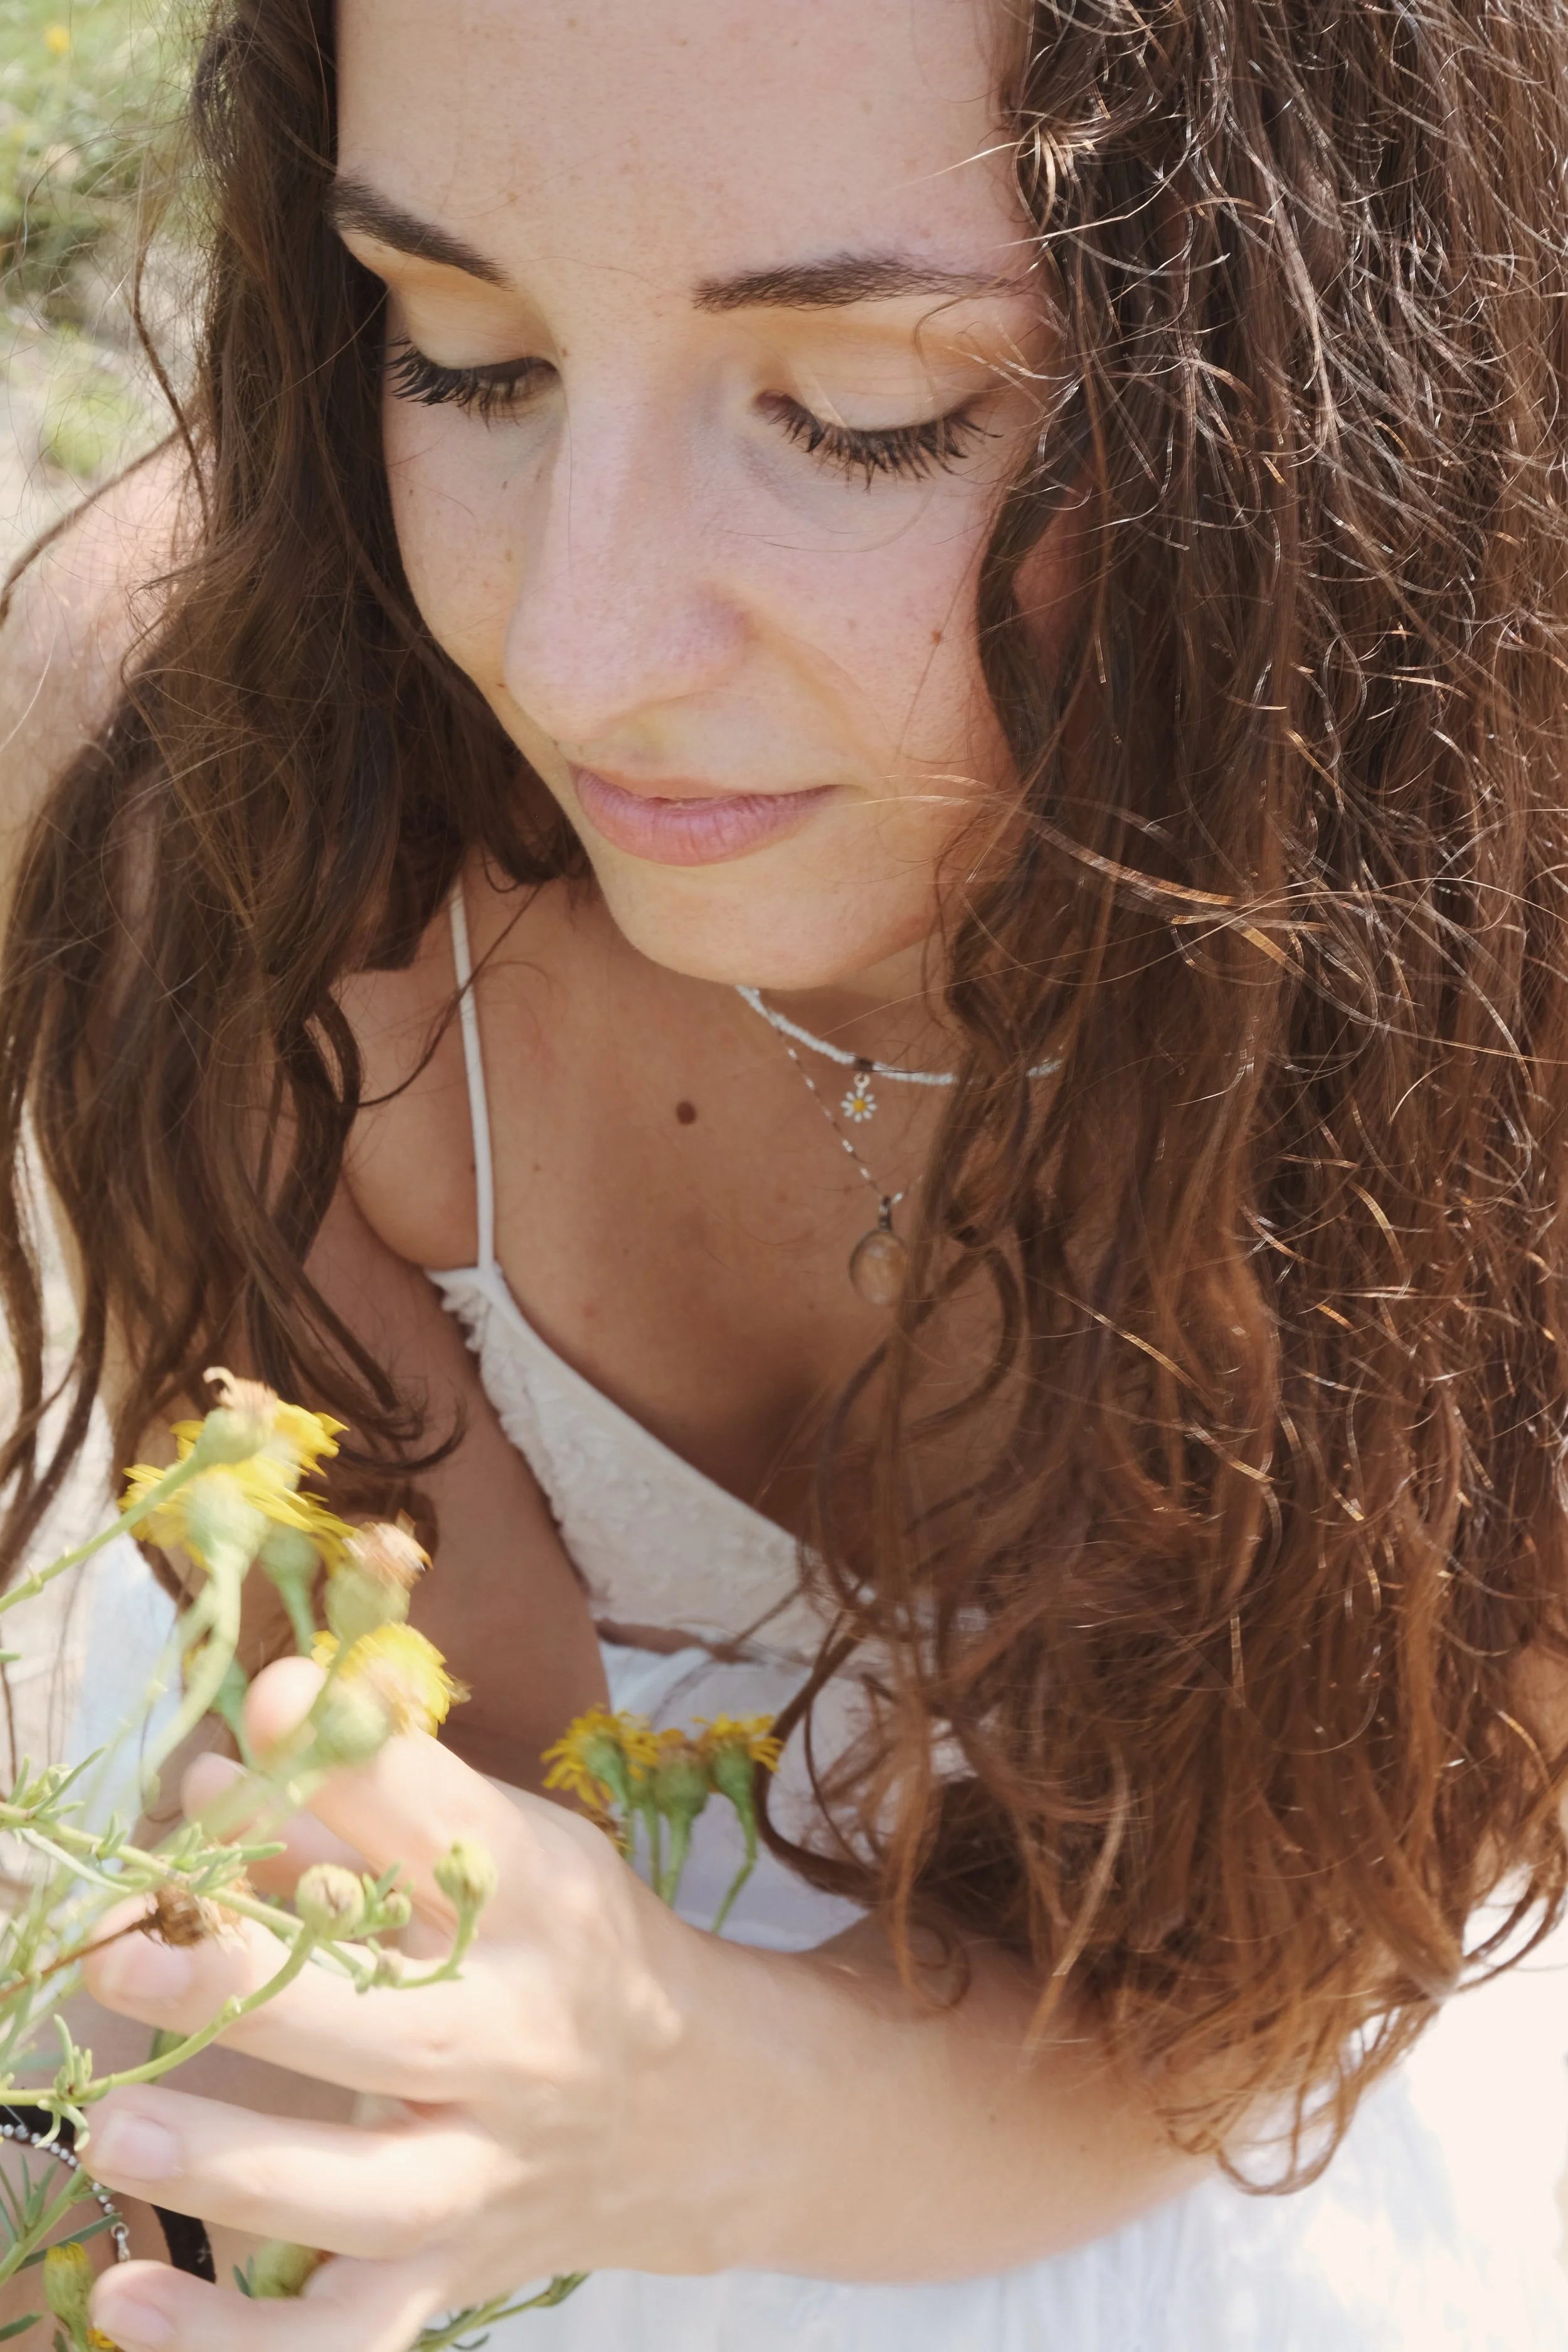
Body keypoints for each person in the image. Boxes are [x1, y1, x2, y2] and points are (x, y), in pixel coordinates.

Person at [2, 0, 1568, 2343]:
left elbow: (1250, 1983)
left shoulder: (1500, 990)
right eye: (461, 354)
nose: (579, 647)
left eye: (864, 412)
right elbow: (443, 1748)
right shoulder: (227, 781)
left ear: (1339, 391)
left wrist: (691, 2088)